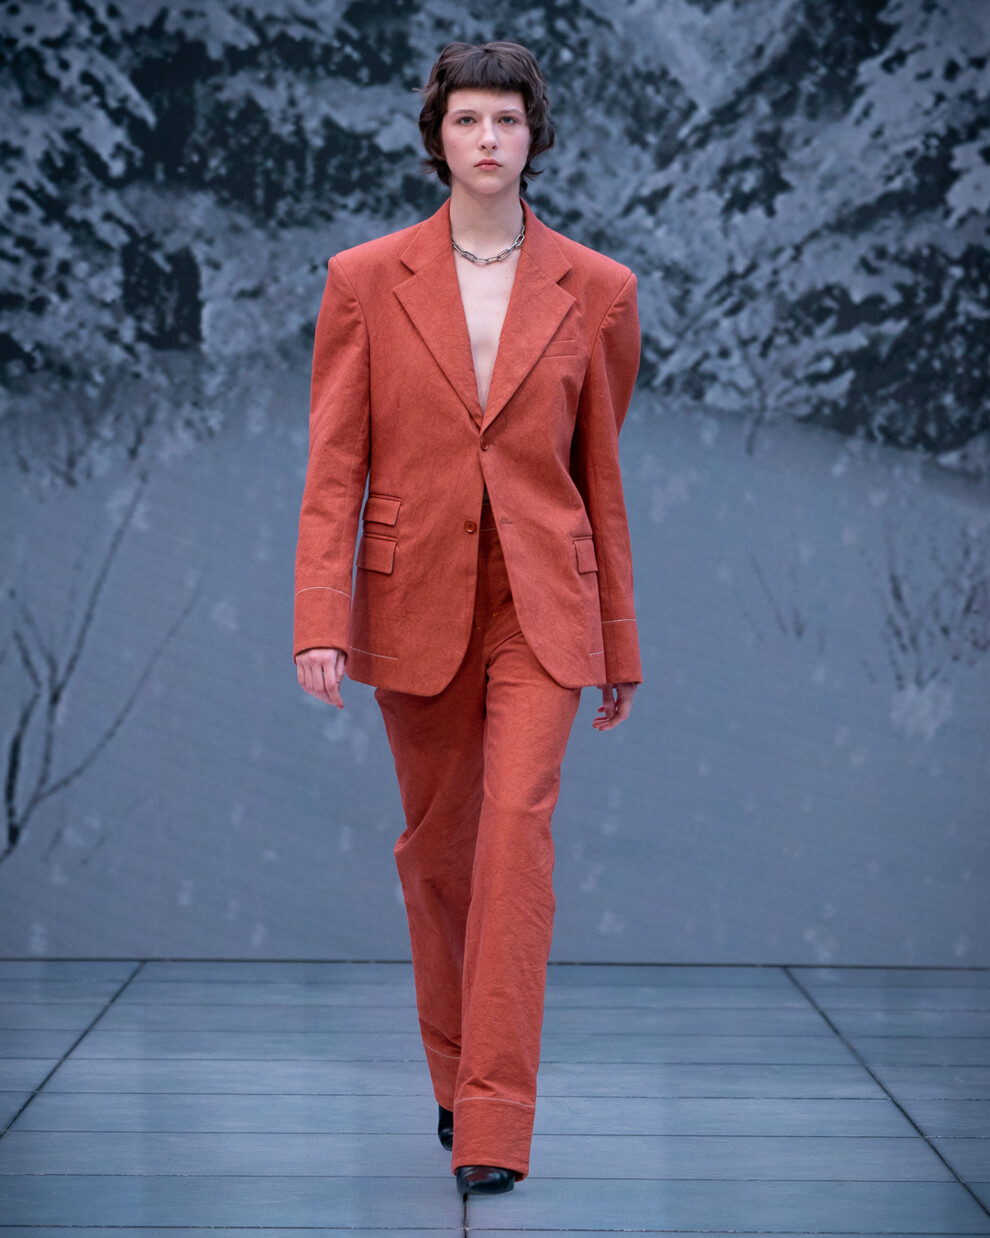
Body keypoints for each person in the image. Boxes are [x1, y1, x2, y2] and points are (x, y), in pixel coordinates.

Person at [293, 40, 642, 1197]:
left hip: (542, 601)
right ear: (436, 137)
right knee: (439, 855)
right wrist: (319, 613)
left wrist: (618, 637)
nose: (488, 139)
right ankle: (455, 1074)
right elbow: (334, 464)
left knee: (515, 840)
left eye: (507, 120)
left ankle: (494, 1116)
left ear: (535, 137)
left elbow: (598, 474)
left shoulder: (598, 289)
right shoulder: (364, 278)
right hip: (414, 593)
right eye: (467, 120)